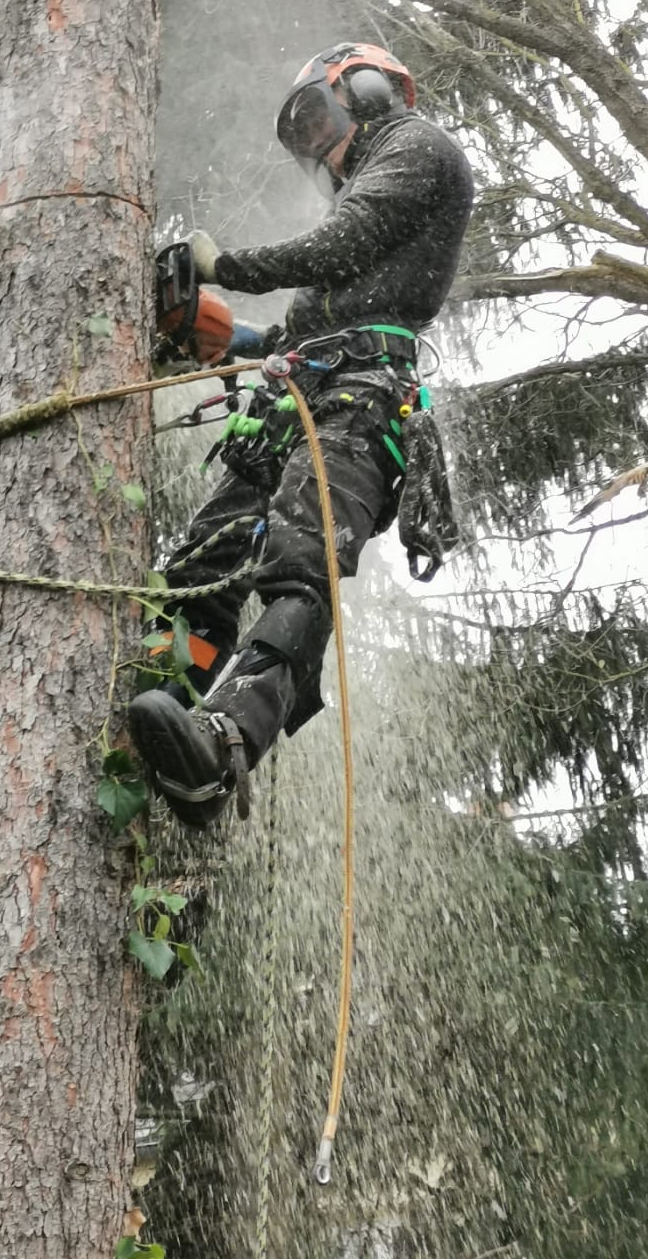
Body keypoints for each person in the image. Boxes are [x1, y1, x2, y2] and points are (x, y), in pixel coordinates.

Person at [128, 41, 474, 828]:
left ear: (371, 89)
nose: (320, 146)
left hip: (364, 403)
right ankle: (157, 702)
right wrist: (232, 338)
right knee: (204, 564)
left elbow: (332, 249)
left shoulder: (418, 149)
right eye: (302, 137)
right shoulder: (371, 191)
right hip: (299, 395)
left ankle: (224, 748)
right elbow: (308, 323)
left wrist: (221, 263)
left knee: (298, 560)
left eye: (321, 120)